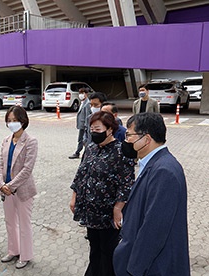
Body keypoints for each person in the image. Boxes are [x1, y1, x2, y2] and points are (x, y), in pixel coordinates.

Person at [114, 112, 189, 276]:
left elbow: (154, 230)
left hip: (154, 267)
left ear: (146, 139)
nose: (125, 141)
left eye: (129, 135)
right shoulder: (153, 163)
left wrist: (134, 269)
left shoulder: (164, 171)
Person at [69, 111, 135, 276]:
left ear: (110, 129)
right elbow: (80, 174)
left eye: (97, 129)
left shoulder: (121, 152)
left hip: (108, 215)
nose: (93, 133)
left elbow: (126, 183)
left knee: (108, 251)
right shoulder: (90, 148)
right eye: (91, 129)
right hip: (90, 212)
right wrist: (74, 197)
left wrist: (118, 208)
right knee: (94, 247)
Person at [0, 106, 38, 269]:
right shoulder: (6, 140)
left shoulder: (31, 141)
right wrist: (1, 183)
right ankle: (13, 250)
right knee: (10, 222)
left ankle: (25, 255)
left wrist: (11, 185)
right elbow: (0, 163)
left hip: (22, 190)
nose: (12, 123)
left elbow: (27, 169)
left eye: (15, 120)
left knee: (24, 223)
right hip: (6, 190)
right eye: (9, 120)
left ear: (23, 121)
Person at [69, 88, 91, 159]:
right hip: (81, 125)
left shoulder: (87, 103)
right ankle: (79, 152)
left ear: (86, 94)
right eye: (80, 93)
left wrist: (86, 125)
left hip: (84, 125)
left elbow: (88, 115)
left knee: (83, 139)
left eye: (82, 93)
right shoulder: (82, 102)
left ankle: (79, 152)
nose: (80, 95)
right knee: (81, 139)